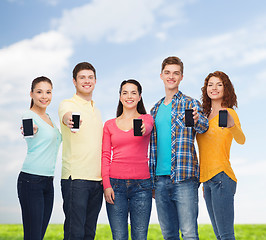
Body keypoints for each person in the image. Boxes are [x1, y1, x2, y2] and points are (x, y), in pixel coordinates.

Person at [149, 56, 209, 240]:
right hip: (159, 180)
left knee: (189, 234)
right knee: (168, 235)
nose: (171, 76)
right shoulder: (154, 109)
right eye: (167, 72)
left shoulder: (190, 103)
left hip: (184, 178)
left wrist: (199, 121)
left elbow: (204, 126)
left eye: (176, 73)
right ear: (161, 76)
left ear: (181, 77)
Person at [102, 79, 154, 240]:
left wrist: (143, 128)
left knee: (140, 236)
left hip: (142, 186)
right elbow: (105, 155)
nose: (129, 96)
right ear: (120, 97)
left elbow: (147, 128)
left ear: (139, 97)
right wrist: (106, 185)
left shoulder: (146, 119)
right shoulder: (109, 125)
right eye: (125, 92)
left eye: (133, 93)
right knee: (119, 236)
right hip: (115, 185)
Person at [196, 71, 245, 240]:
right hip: (208, 182)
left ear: (226, 88)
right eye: (210, 84)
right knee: (219, 236)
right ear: (206, 89)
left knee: (226, 236)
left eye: (219, 84)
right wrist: (204, 183)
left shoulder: (230, 113)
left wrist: (232, 126)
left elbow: (241, 139)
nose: (214, 88)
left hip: (222, 177)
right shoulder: (203, 117)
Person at [58, 62, 103, 239]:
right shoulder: (67, 104)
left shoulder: (96, 110)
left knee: (89, 232)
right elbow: (66, 115)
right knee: (74, 232)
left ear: (95, 80)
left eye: (90, 77)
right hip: (75, 179)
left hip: (97, 181)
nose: (87, 81)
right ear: (74, 82)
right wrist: (69, 119)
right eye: (82, 77)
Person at [17, 76, 61, 240]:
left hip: (48, 182)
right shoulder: (28, 115)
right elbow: (28, 129)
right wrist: (29, 130)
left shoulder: (49, 118)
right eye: (39, 92)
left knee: (39, 236)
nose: (44, 96)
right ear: (31, 94)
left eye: (48, 92)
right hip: (31, 181)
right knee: (33, 236)